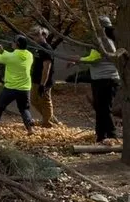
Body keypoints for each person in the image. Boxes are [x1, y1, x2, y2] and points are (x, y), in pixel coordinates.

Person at [69, 16, 120, 144]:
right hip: (104, 79)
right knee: (100, 108)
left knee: (104, 108)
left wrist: (78, 59)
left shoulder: (102, 42)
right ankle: (101, 135)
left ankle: (112, 135)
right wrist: (78, 60)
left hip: (105, 80)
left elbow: (94, 59)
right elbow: (93, 57)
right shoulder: (109, 41)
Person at [0, 36, 35, 134]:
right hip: (25, 88)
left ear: (17, 44)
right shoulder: (29, 55)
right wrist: (3, 51)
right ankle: (30, 128)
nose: (11, 43)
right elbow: (12, 57)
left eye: (13, 42)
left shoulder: (11, 57)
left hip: (11, 88)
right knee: (24, 109)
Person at [30, 26, 59, 127]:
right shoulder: (39, 48)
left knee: (45, 101)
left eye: (36, 36)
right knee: (34, 100)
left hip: (44, 81)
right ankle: (50, 118)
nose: (34, 38)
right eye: (34, 36)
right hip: (35, 79)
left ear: (43, 35)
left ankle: (47, 122)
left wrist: (43, 84)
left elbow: (46, 68)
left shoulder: (47, 49)